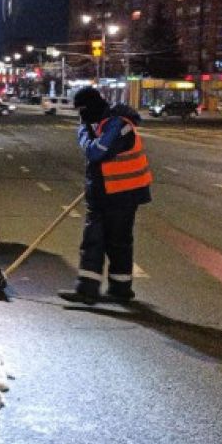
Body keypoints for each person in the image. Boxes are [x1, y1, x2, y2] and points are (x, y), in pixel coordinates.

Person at [59, 86, 153, 305]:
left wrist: (83, 133)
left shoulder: (119, 125)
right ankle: (89, 289)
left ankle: (120, 290)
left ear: (93, 105)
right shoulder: (99, 123)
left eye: (82, 110)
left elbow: (97, 151)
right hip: (102, 195)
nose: (81, 115)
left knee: (117, 243)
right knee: (94, 242)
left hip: (122, 195)